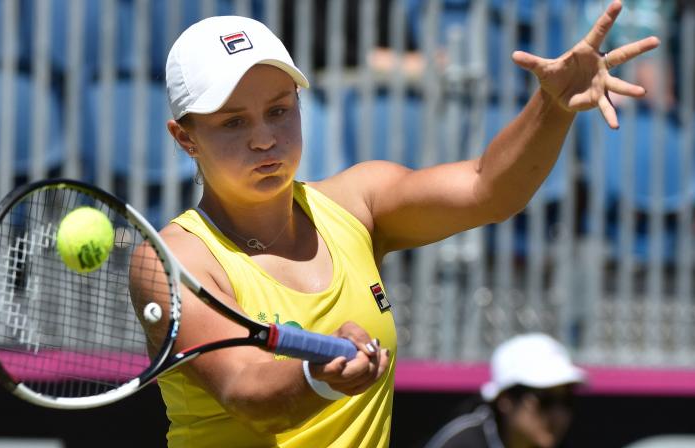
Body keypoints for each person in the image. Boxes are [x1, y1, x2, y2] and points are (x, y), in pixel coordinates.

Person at [130, 2, 658, 446]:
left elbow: (487, 188)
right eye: (233, 122)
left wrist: (552, 106)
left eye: (279, 110)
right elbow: (247, 392)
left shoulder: (359, 202)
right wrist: (318, 374)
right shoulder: (173, 259)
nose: (265, 138)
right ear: (185, 138)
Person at [424, 333, 587, 448]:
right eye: (546, 401)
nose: (559, 415)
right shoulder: (463, 443)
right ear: (505, 399)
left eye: (567, 401)